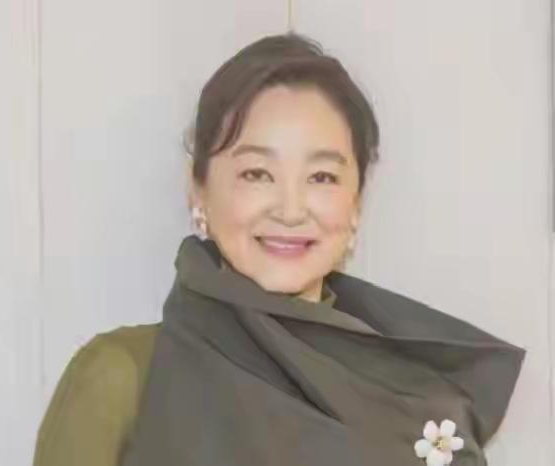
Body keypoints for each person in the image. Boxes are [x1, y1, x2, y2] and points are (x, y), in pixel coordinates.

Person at [34, 33, 525, 466]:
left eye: (322, 177)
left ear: (356, 201)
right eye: (257, 173)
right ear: (198, 190)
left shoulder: (421, 403)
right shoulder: (123, 377)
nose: (291, 210)